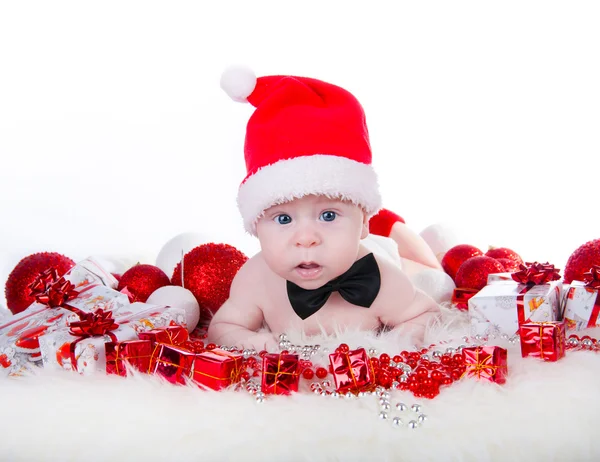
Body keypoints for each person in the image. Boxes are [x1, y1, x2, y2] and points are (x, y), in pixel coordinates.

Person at [207, 67, 441, 351]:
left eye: (328, 215)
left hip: (382, 248)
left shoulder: (382, 279)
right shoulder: (255, 277)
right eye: (283, 218)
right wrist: (253, 341)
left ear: (363, 222)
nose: (306, 238)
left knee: (432, 276)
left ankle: (395, 228)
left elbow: (426, 313)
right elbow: (224, 326)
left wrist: (396, 344)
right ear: (256, 225)